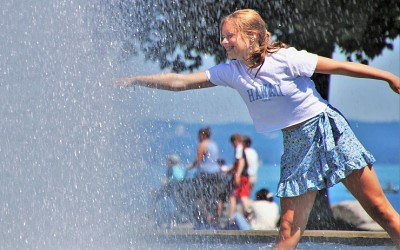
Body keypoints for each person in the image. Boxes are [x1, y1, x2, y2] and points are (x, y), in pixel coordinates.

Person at [114, 8, 400, 249]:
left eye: (230, 36)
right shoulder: (232, 72)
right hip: (296, 144)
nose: (224, 42)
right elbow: (180, 81)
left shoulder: (287, 59)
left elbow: (340, 67)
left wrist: (388, 76)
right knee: (287, 233)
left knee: (380, 211)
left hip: (327, 131)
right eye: (222, 36)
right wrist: (136, 79)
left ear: (251, 36)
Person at [187, 127, 224, 229]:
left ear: (202, 135)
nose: (198, 138)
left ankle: (206, 218)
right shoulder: (214, 144)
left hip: (205, 174)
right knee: (216, 196)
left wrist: (191, 166)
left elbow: (198, 161)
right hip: (217, 173)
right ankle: (217, 219)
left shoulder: (202, 145)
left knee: (200, 197)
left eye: (198, 136)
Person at [227, 133, 252, 229]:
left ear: (235, 141)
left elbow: (241, 162)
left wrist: (237, 175)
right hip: (245, 176)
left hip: (241, 176)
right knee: (243, 195)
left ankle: (231, 219)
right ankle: (249, 213)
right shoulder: (242, 148)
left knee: (233, 197)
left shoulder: (238, 148)